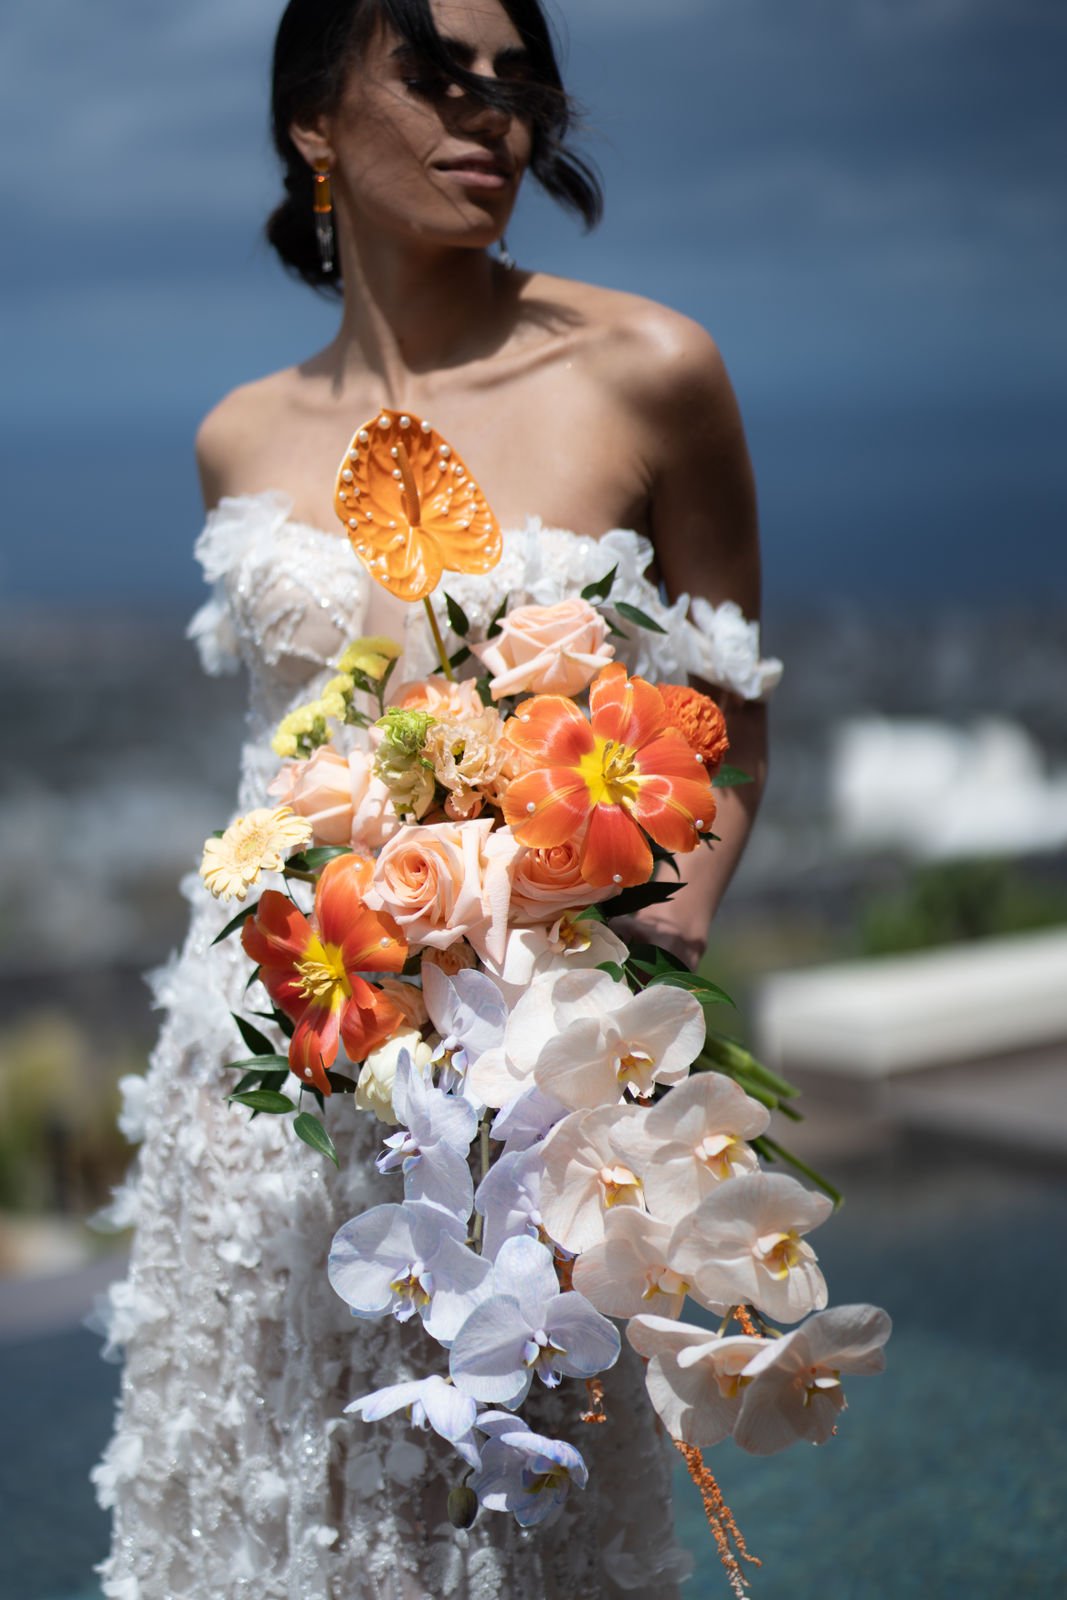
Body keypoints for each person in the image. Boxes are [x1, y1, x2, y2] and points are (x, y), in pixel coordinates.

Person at [92, 2, 778, 1595]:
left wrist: (634, 967)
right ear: (312, 127)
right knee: (258, 1505)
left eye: (517, 82)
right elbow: (278, 754)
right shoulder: (236, 437)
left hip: (525, 1082)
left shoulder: (652, 370)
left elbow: (728, 727)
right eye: (437, 72)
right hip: (263, 1065)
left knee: (508, 1524)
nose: (495, 117)